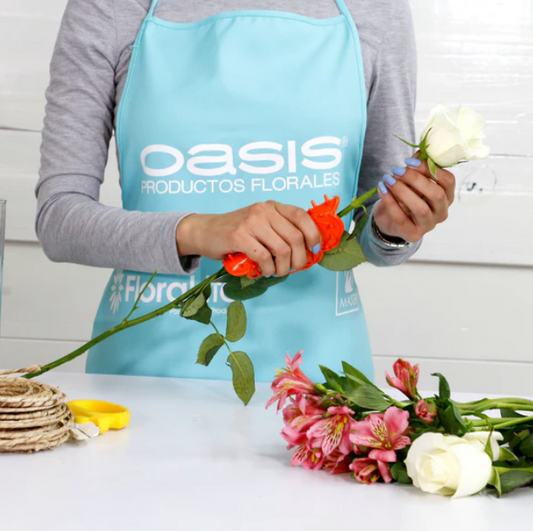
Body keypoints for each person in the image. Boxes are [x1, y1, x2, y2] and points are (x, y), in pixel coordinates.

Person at [36, 0, 455, 384]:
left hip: (322, 388)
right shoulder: (111, 7)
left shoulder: (376, 9)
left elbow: (377, 223)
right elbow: (58, 219)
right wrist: (198, 231)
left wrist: (393, 229)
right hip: (144, 379)